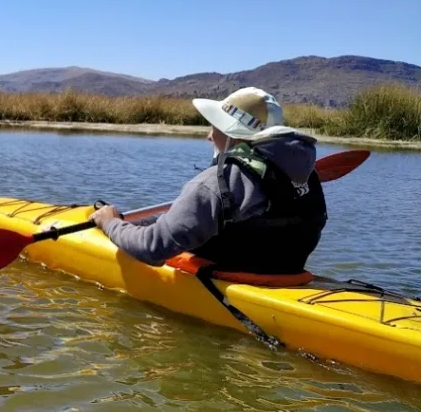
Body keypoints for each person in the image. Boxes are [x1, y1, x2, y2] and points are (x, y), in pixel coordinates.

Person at [89, 86, 328, 275]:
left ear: (233, 134)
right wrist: (133, 222)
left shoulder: (213, 184)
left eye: (215, 127)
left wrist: (110, 224)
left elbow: (153, 248)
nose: (209, 135)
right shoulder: (305, 176)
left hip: (236, 280)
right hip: (284, 274)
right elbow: (197, 218)